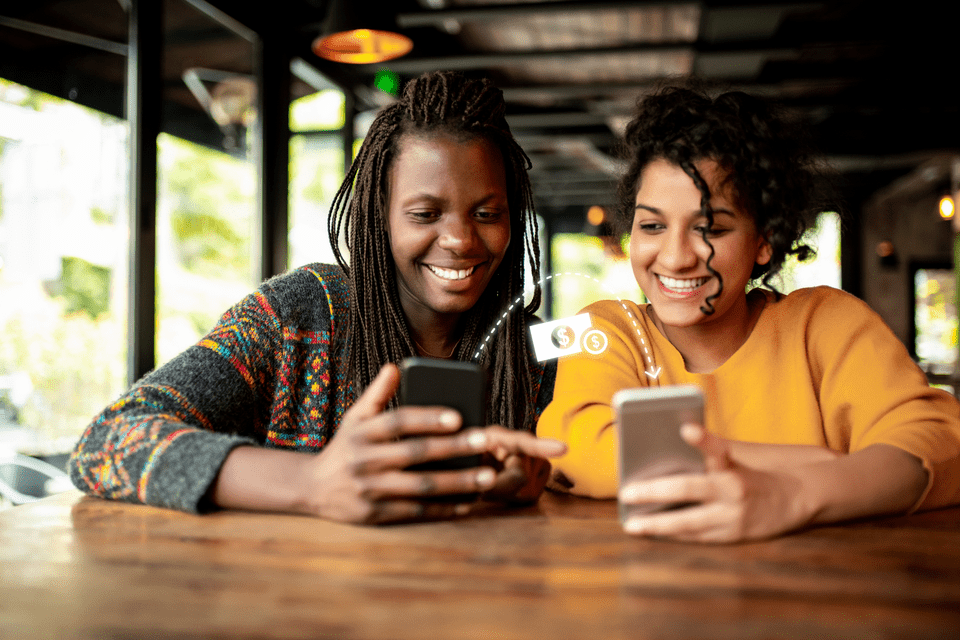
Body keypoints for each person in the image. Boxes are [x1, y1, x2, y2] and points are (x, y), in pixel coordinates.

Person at [69, 70, 565, 523]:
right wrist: (309, 483)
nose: (460, 240)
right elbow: (107, 442)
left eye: (486, 214)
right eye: (424, 214)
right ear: (379, 218)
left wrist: (533, 480)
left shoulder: (542, 350)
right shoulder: (295, 315)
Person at [537, 85, 960, 543]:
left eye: (711, 228)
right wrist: (821, 465)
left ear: (764, 240)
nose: (676, 257)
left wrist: (792, 494)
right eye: (653, 225)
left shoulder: (827, 324)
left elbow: (937, 445)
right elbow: (573, 449)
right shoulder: (604, 327)